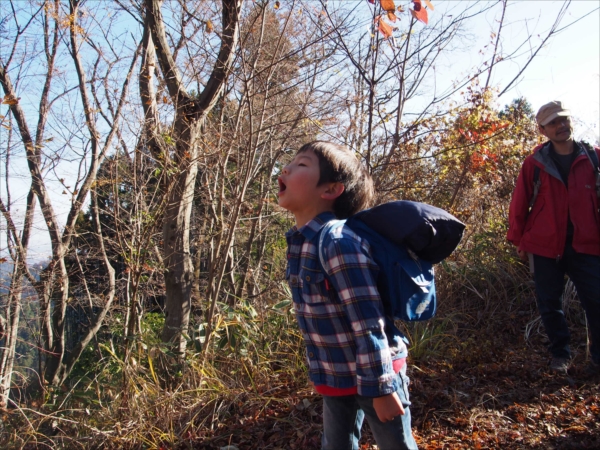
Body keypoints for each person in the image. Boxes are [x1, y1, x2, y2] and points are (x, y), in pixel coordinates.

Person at [278, 141, 417, 450]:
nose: (286, 168)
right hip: (337, 374)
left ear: (330, 190)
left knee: (397, 445)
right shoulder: (301, 243)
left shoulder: (338, 242)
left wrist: (381, 388)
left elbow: (368, 321)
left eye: (301, 164)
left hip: (375, 373)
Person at [507, 101, 600, 375]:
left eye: (563, 120)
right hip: (545, 246)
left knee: (596, 302)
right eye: (552, 123)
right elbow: (519, 204)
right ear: (542, 130)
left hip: (588, 245)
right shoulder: (535, 163)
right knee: (550, 304)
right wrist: (519, 241)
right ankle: (561, 354)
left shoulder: (594, 158)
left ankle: (597, 357)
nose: (560, 126)